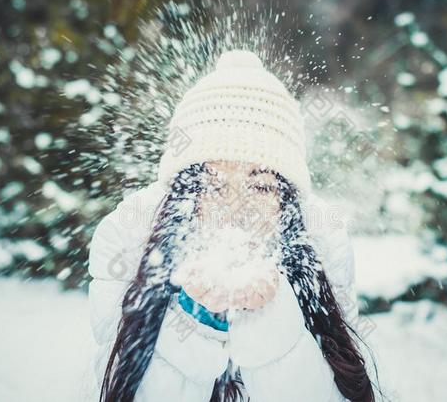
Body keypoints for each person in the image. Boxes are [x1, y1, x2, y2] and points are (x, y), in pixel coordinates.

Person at [87, 50, 376, 402]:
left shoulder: (322, 247)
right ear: (186, 193)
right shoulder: (129, 242)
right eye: (213, 184)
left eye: (260, 185)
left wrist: (270, 319)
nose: (236, 209)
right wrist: (194, 321)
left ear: (286, 198)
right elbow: (118, 385)